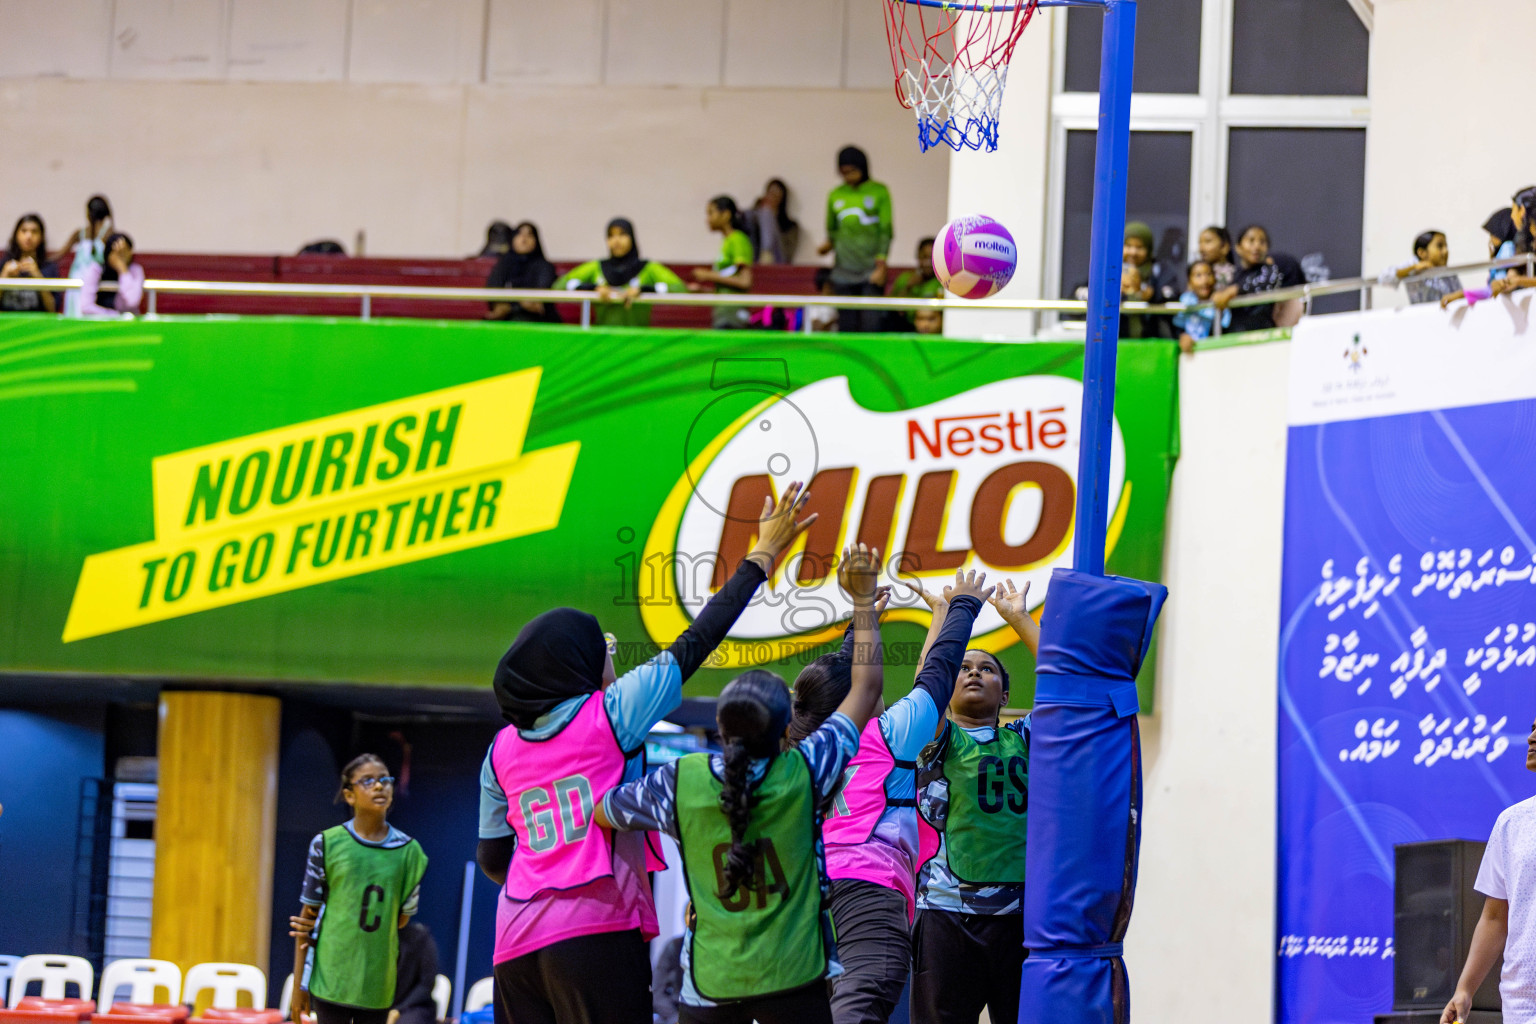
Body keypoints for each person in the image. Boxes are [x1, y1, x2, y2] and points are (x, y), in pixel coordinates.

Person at [476, 484, 817, 1024]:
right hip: (594, 931)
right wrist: (762, 555)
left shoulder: (499, 750)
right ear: (575, 666)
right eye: (601, 648)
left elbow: (494, 859)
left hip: (513, 945)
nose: (609, 655)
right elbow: (696, 641)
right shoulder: (611, 711)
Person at [596, 544, 890, 1024]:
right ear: (785, 733)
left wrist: (608, 686)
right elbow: (865, 689)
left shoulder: (680, 782)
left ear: (721, 726)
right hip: (796, 978)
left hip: (710, 984)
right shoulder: (808, 769)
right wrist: (861, 603)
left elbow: (603, 807)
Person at [786, 570, 996, 1024]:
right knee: (865, 996)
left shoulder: (807, 746)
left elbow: (837, 681)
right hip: (868, 885)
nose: (875, 683)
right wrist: (963, 606)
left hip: (805, 885)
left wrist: (858, 629)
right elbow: (938, 676)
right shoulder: (889, 734)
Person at [909, 580, 1041, 1024]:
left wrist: (1019, 619)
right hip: (946, 914)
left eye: (986, 669)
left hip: (1022, 918)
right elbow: (925, 687)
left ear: (1005, 695)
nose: (972, 672)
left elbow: (1069, 686)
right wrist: (941, 619)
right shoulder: (939, 739)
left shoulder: (1025, 738)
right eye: (963, 667)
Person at [290, 754, 429, 1024]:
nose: (380, 786)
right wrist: (299, 986)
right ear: (349, 795)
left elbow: (402, 920)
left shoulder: (411, 852)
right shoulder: (326, 843)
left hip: (378, 984)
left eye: (385, 780)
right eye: (368, 781)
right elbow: (305, 921)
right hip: (330, 980)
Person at [1440, 716, 1536, 1024]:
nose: (1531, 738)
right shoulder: (1512, 822)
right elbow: (1495, 916)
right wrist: (1465, 989)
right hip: (1521, 1005)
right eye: (1532, 728)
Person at [554, 218, 686, 329]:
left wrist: (643, 290)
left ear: (632, 238)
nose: (616, 240)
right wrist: (593, 288)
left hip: (638, 339)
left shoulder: (648, 268)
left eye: (622, 234)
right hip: (602, 339)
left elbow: (680, 289)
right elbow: (559, 286)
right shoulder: (597, 267)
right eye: (611, 236)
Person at [817, 147, 893, 333]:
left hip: (870, 270)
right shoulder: (836, 194)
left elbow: (886, 231)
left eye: (852, 171)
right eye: (843, 173)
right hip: (843, 270)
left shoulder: (879, 191)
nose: (848, 176)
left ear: (863, 168)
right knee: (847, 325)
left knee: (871, 324)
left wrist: (881, 265)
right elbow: (832, 230)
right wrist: (828, 244)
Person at [1212, 225, 1303, 334]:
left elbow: (1263, 284)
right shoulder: (1234, 274)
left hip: (1263, 335)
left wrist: (1236, 290)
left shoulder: (1270, 271)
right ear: (1238, 247)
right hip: (1234, 336)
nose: (1257, 246)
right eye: (1251, 241)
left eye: (1262, 242)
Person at [688, 196, 754, 330]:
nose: (707, 219)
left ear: (726, 215)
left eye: (711, 213)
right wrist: (704, 291)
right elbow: (727, 287)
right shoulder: (726, 242)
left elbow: (745, 281)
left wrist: (708, 275)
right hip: (722, 315)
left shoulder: (737, 240)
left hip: (733, 318)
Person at [485, 222, 560, 324]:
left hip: (537, 319)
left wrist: (511, 306)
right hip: (505, 317)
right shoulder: (504, 264)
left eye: (529, 235)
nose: (524, 239)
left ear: (536, 241)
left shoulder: (544, 266)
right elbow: (493, 287)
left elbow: (538, 298)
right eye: (519, 234)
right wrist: (500, 306)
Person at [58, 195, 112, 317]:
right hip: (76, 279)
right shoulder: (80, 233)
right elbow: (61, 253)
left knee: (87, 309)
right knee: (75, 309)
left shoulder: (107, 233)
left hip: (95, 282)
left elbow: (60, 254)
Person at [1378, 231, 1460, 306]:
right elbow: (1383, 278)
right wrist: (1412, 269)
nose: (1445, 251)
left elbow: (1459, 293)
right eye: (1440, 246)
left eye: (1446, 246)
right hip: (1421, 316)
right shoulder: (1413, 265)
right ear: (1422, 252)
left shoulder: (1448, 272)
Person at [1, 214, 58, 313]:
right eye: (24, 231)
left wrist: (38, 276)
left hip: (38, 325)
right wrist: (4, 275)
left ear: (41, 237)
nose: (28, 236)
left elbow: (53, 309)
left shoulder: (48, 267)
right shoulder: (4, 264)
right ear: (16, 234)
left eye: (34, 232)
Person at [78, 233, 143, 317]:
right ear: (108, 253)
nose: (121, 256)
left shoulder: (136, 270)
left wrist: (122, 269)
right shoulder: (96, 269)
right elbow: (86, 307)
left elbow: (132, 301)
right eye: (117, 253)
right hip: (100, 324)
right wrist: (115, 316)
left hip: (128, 325)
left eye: (124, 252)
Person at [1173, 260, 1229, 351]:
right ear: (1189, 282)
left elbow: (1225, 326)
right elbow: (1179, 326)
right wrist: (1183, 337)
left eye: (1209, 274)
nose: (1205, 280)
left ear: (1215, 279)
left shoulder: (1220, 301)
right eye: (1198, 275)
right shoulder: (1186, 300)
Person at [391, 921, 441, 1024]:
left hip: (413, 1007)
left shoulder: (421, 939)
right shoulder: (375, 941)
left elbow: (426, 984)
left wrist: (397, 1011)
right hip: (380, 1005)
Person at [888, 237, 942, 330]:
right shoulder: (905, 278)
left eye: (931, 258)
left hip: (932, 328)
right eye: (924, 257)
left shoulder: (942, 282)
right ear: (918, 257)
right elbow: (890, 307)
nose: (927, 262)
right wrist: (908, 287)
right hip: (904, 325)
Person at [747, 178, 800, 265]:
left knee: (767, 214)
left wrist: (772, 218)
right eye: (770, 193)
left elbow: (788, 254)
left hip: (778, 260)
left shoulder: (791, 226)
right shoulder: (757, 215)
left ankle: (766, 257)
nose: (772, 198)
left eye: (776, 195)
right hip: (755, 257)